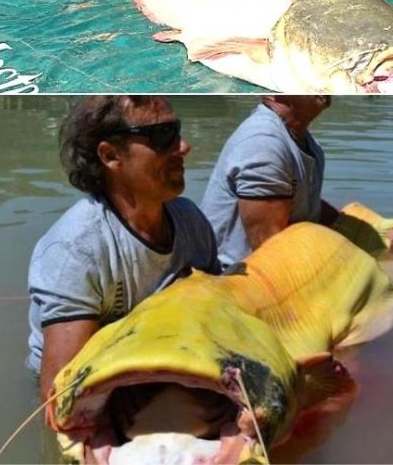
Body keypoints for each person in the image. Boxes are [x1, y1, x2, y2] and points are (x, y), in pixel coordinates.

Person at [27, 96, 219, 416]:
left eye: (178, 131)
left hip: (166, 369)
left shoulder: (192, 223)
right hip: (104, 391)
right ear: (111, 156)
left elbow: (217, 318)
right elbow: (60, 401)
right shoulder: (77, 250)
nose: (183, 146)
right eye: (162, 137)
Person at [200, 96, 340, 268]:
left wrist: (351, 225)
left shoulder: (305, 141)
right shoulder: (264, 141)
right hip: (234, 281)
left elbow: (304, 206)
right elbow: (268, 250)